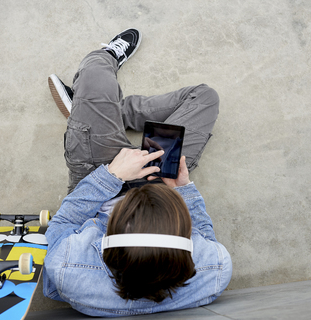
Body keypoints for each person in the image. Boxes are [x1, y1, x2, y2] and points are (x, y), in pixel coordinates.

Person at [43, 28, 232, 317]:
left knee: (95, 77)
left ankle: (94, 97)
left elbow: (63, 223)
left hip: (102, 177)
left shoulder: (69, 270)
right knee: (204, 97)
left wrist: (112, 176)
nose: (139, 189)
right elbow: (205, 236)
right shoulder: (214, 271)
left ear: (110, 237)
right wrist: (183, 190)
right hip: (165, 183)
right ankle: (104, 112)